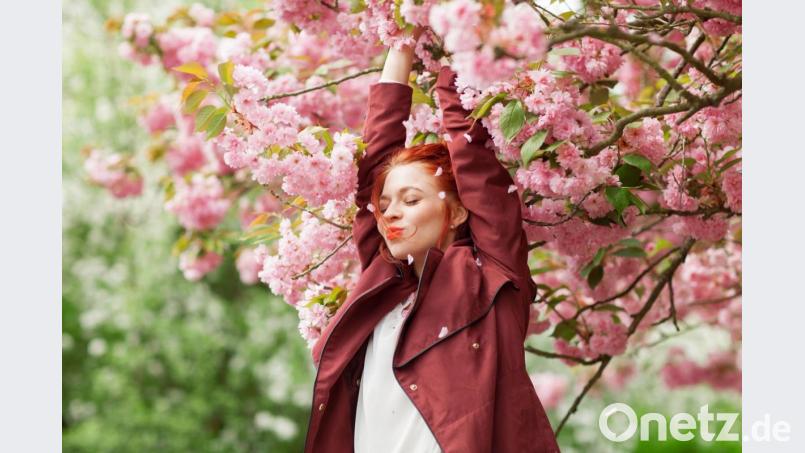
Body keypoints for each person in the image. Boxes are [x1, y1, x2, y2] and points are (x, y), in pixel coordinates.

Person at [304, 29, 561, 453]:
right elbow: (373, 164)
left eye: (411, 200)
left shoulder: (491, 276)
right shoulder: (381, 282)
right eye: (385, 204)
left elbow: (472, 156)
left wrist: (451, 25)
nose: (391, 213)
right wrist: (402, 37)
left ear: (457, 211)